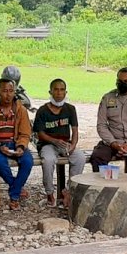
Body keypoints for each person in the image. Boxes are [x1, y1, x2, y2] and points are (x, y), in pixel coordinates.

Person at [0, 78, 33, 211]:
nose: (8, 94)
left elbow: (25, 133)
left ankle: (14, 194)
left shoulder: (20, 110)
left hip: (15, 144)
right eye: (4, 91)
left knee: (27, 160)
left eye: (11, 91)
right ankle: (16, 190)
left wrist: (21, 146)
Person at [33, 78, 86, 207]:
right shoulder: (42, 110)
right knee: (49, 160)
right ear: (50, 91)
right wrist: (54, 141)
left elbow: (75, 130)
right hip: (47, 144)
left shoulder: (70, 109)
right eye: (56, 90)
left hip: (65, 144)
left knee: (80, 158)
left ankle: (68, 192)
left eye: (62, 90)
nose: (58, 93)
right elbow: (40, 133)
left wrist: (73, 146)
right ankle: (50, 194)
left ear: (65, 92)